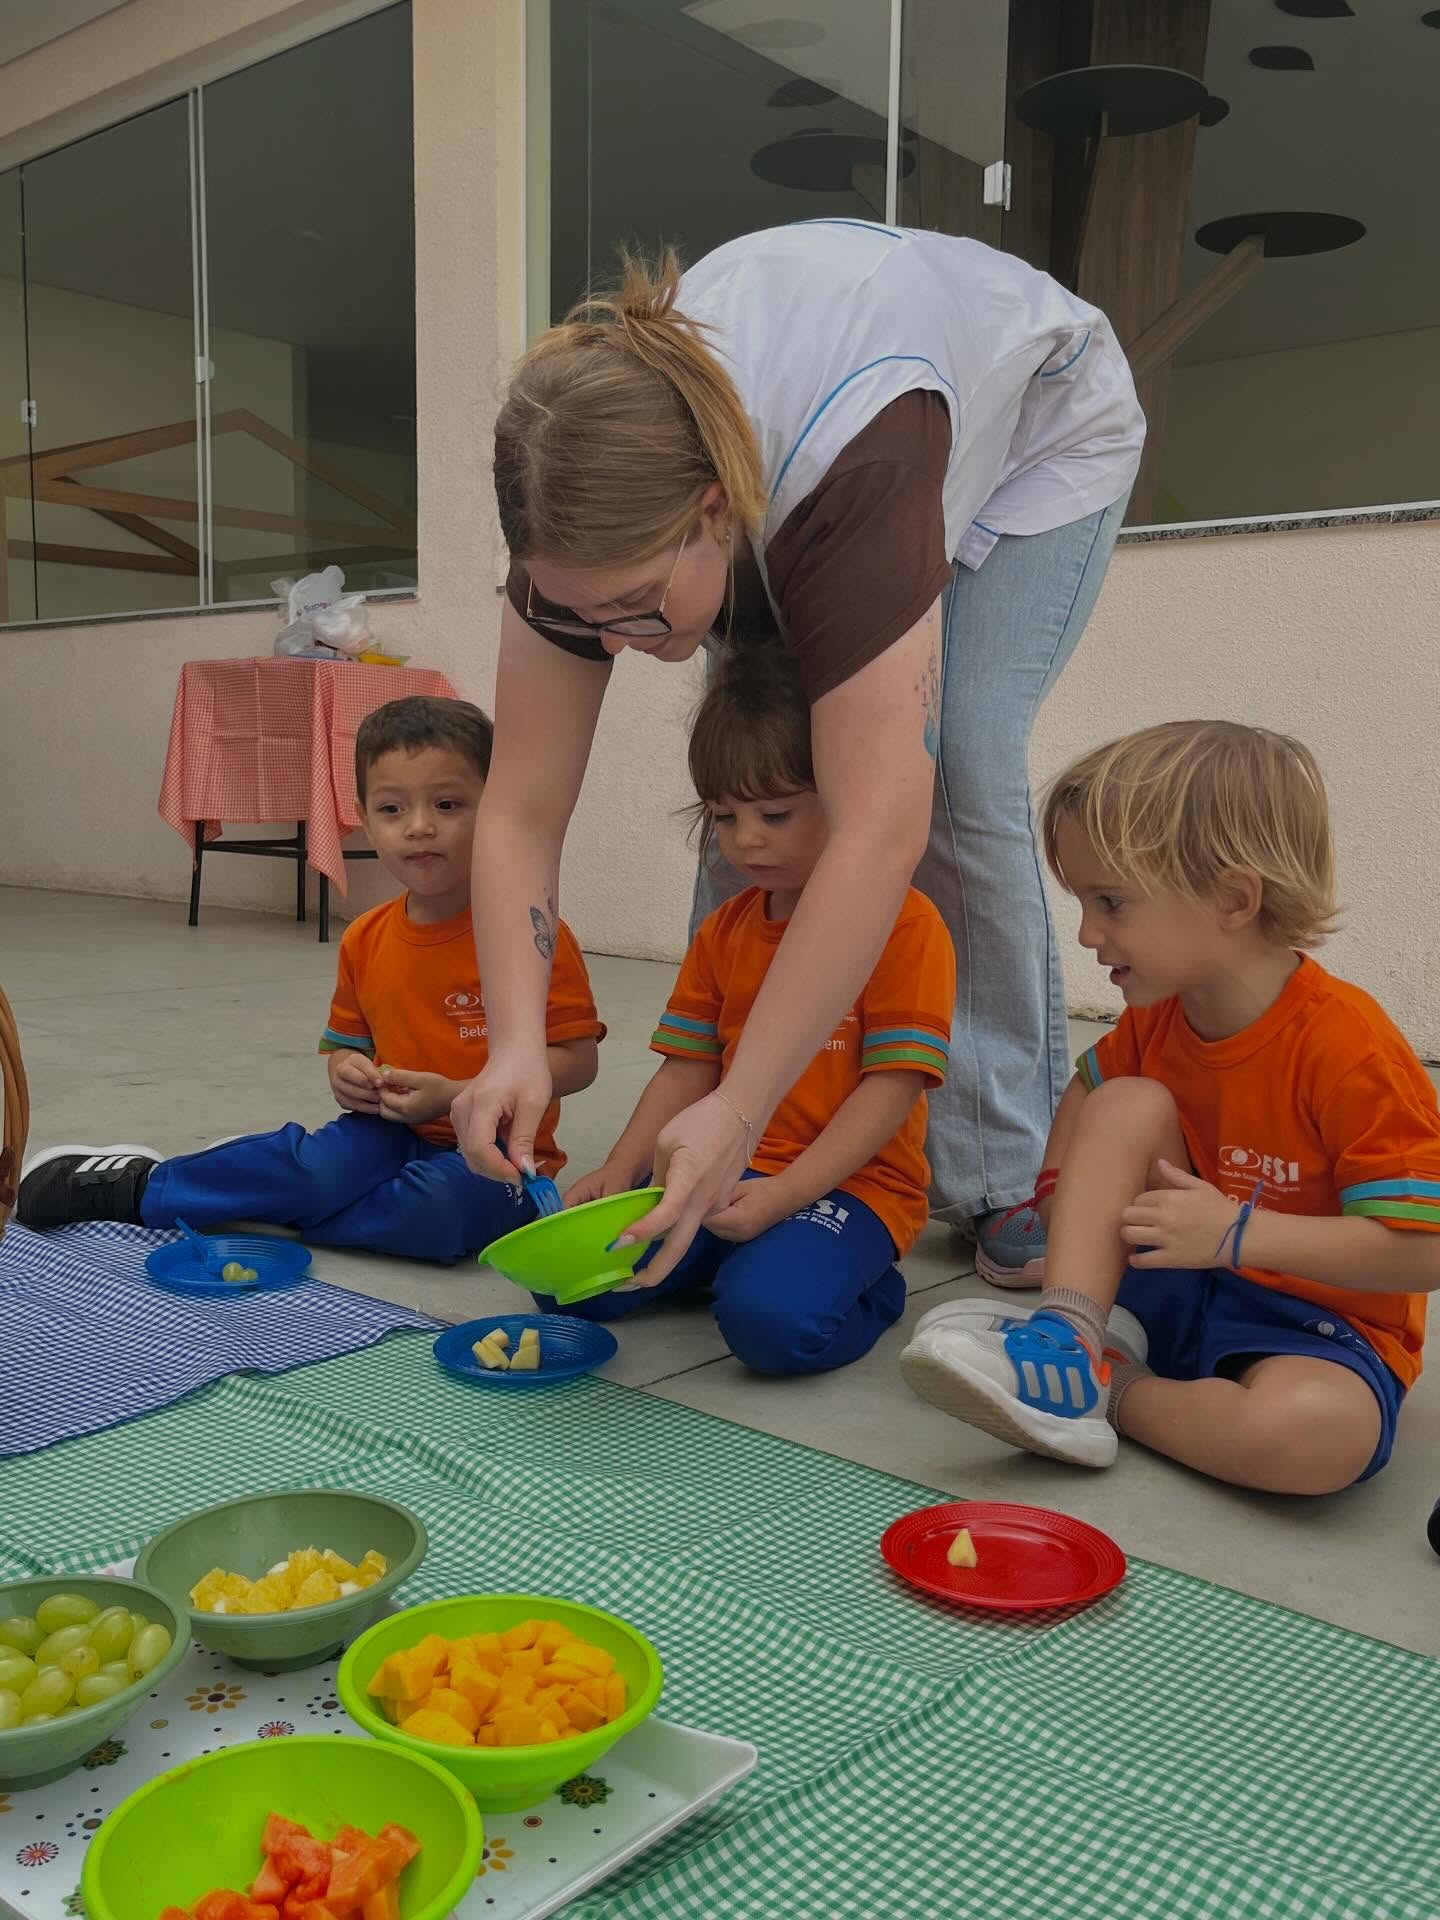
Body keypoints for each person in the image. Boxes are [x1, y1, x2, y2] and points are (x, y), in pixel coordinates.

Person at [452, 219, 1145, 1287]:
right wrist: (514, 1045)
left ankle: (1006, 1170)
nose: (614, 646)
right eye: (584, 616)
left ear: (712, 515)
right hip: (791, 477)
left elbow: (881, 831)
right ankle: (741, 1126)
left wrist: (739, 1106)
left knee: (952, 764)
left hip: (1035, 447)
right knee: (756, 776)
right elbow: (521, 808)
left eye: (634, 608)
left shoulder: (853, 469)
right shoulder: (569, 517)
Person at [900, 721, 1440, 1493]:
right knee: (1127, 1100)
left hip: (1310, 1329)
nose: (1087, 932)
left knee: (1315, 1439)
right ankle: (1070, 1330)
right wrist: (1061, 1204)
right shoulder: (1159, 1015)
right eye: (1084, 902)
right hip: (1168, 1278)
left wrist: (1238, 1236)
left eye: (1111, 902)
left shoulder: (1351, 1050)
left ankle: (1108, 1387)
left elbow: (1425, 1252)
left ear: (1234, 899)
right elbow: (1091, 1092)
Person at [18, 697, 604, 1262]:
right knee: (317, 1170)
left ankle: (259, 1194)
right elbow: (348, 1045)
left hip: (502, 1152)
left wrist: (457, 1094)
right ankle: (143, 1186)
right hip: (386, 1131)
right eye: (392, 809)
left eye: (447, 805)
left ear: (495, 809)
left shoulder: (534, 935)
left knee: (439, 1213)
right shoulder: (366, 938)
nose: (419, 827)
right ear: (364, 819)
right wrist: (347, 1072)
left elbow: (579, 1062)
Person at [551, 642, 955, 1375]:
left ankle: (868, 1284)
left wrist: (783, 1196)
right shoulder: (726, 930)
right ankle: (731, 1260)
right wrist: (621, 1165)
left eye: (775, 812)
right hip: (720, 1166)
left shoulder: (909, 925)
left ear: (845, 794)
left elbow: (892, 1090)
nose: (746, 840)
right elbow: (687, 1070)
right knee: (569, 1286)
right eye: (724, 816)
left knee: (770, 1327)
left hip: (851, 1188)